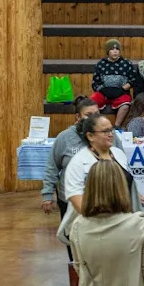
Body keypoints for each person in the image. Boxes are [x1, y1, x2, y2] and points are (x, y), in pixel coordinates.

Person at [59, 114, 141, 245]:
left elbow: (127, 183)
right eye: (105, 131)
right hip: (93, 230)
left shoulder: (118, 154)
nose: (111, 134)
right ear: (90, 136)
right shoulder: (78, 163)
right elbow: (77, 199)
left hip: (125, 225)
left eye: (111, 130)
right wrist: (105, 225)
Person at [40, 97, 102, 228]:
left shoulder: (108, 135)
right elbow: (52, 167)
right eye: (88, 115)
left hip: (102, 199)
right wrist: (47, 195)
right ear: (78, 117)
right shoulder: (64, 138)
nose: (93, 118)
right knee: (72, 236)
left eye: (97, 114)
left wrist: (134, 191)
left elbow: (123, 166)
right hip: (69, 200)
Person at [90, 39, 137, 128]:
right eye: (112, 49)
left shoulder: (126, 63)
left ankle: (116, 126)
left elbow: (133, 79)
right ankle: (98, 124)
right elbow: (95, 82)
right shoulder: (100, 64)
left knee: (125, 105)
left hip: (121, 92)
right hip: (104, 92)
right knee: (91, 103)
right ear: (107, 51)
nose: (115, 51)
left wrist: (124, 88)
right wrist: (103, 90)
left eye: (117, 49)